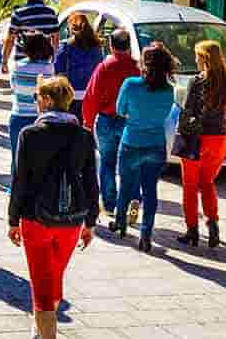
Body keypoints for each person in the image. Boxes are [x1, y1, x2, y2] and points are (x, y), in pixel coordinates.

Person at [8, 76, 99, 339]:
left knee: (43, 290)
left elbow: (19, 180)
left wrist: (12, 219)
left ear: (47, 101)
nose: (36, 103)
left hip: (36, 219)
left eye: (38, 98)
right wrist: (91, 221)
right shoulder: (83, 136)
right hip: (71, 221)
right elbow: (91, 181)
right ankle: (39, 331)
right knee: (54, 278)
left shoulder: (30, 134)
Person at [110, 43, 176, 253]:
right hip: (156, 144)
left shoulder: (130, 84)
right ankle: (146, 234)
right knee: (150, 191)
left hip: (132, 141)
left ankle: (120, 222)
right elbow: (165, 115)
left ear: (144, 64)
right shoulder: (170, 90)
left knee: (125, 186)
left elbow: (120, 110)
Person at [174, 40, 226, 252]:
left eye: (197, 55)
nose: (195, 59)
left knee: (190, 186)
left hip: (197, 139)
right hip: (219, 140)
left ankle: (192, 230)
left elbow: (188, 110)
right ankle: (213, 225)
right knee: (208, 183)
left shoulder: (197, 81)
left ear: (204, 58)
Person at [84, 29, 138, 219]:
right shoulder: (136, 68)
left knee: (107, 162)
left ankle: (109, 204)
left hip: (106, 120)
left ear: (110, 45)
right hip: (129, 122)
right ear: (129, 45)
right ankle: (132, 199)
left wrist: (88, 122)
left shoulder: (104, 67)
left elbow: (92, 96)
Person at [8, 31, 55, 165]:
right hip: (41, 118)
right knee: (40, 161)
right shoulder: (49, 68)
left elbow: (14, 87)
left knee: (17, 159)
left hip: (19, 115)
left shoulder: (17, 66)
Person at [53, 13, 107, 122]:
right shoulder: (97, 47)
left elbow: (58, 72)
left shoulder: (66, 47)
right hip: (91, 96)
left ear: (70, 28)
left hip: (70, 98)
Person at [0, 0, 59, 74]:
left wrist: (4, 62)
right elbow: (55, 40)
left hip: (22, 63)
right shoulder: (51, 14)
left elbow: (10, 39)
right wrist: (53, 61)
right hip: (44, 64)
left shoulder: (19, 13)